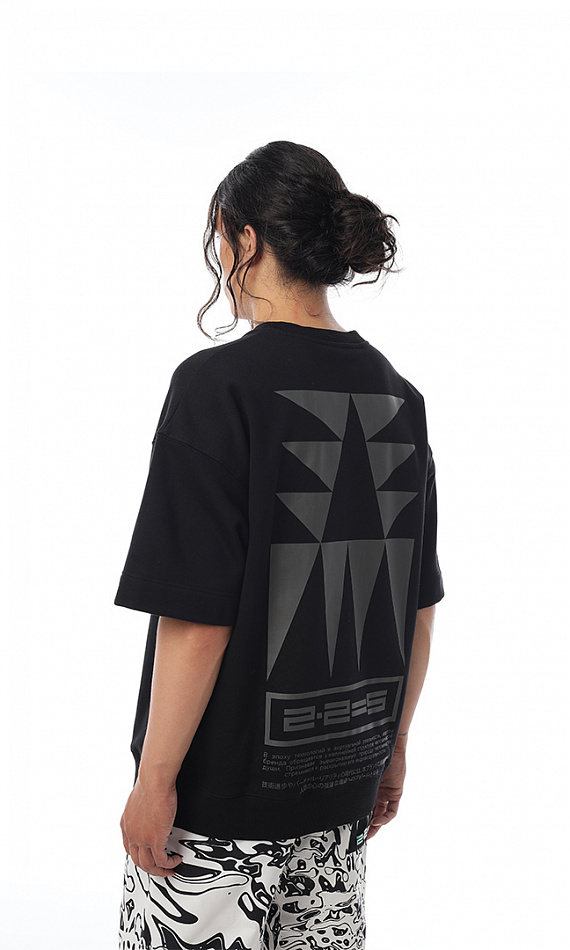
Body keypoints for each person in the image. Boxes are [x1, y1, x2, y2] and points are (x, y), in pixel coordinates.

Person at [114, 140, 445, 950]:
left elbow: (198, 618)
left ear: (247, 238)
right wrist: (395, 750)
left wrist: (155, 782)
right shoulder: (398, 397)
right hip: (342, 795)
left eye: (220, 240)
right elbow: (418, 606)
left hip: (217, 814)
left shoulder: (215, 388)